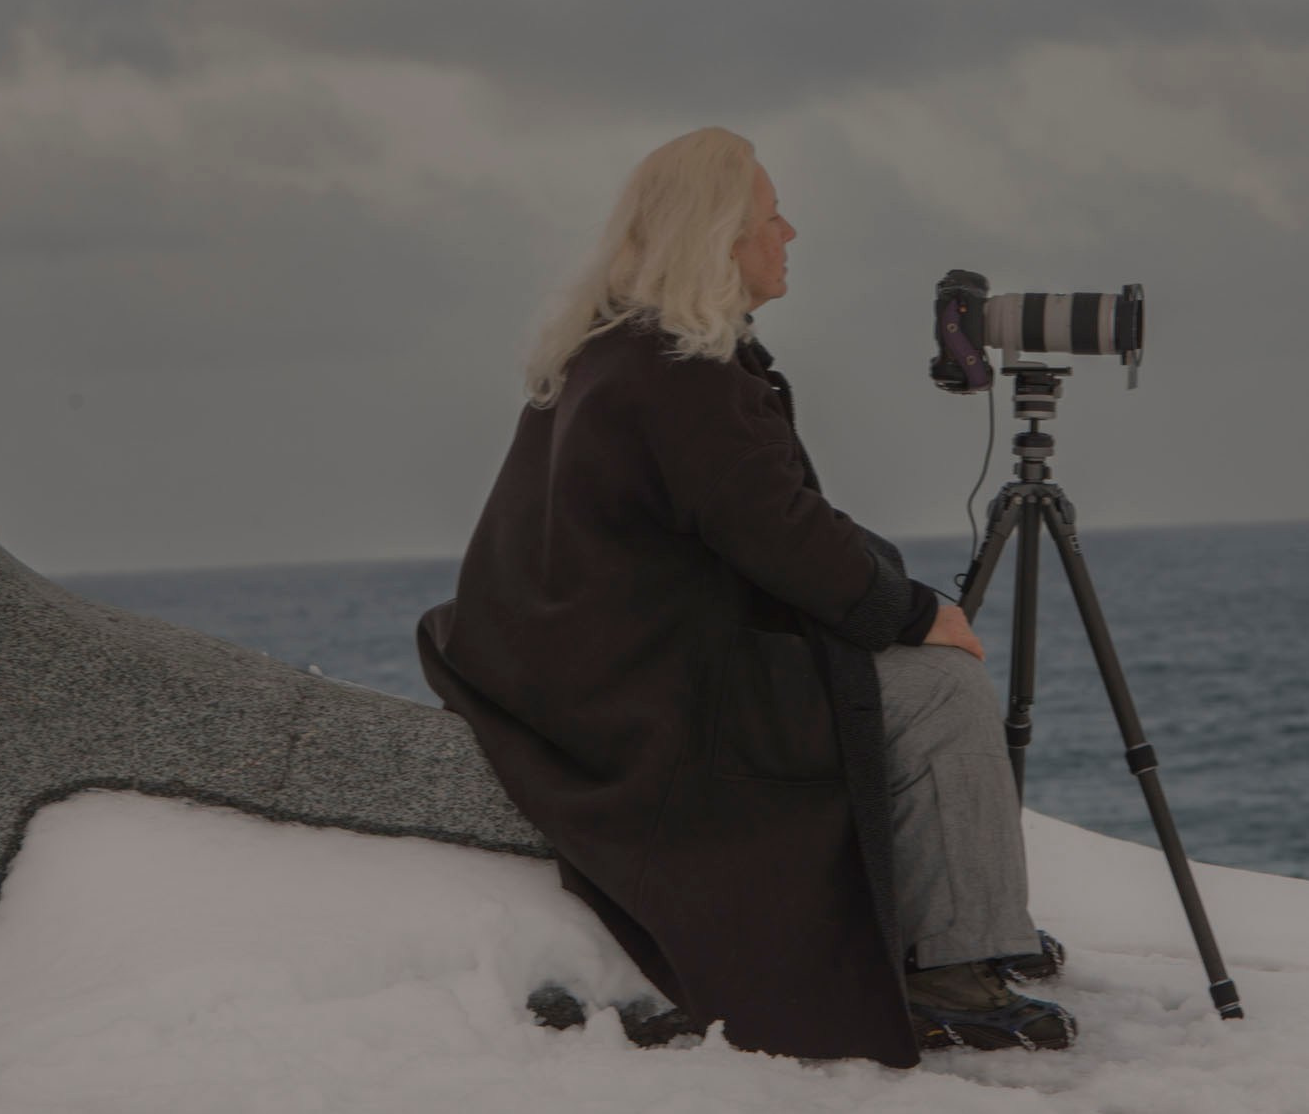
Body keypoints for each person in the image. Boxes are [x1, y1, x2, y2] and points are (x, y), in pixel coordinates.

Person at [418, 127, 1074, 1066]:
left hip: (591, 672)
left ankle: (957, 924)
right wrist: (919, 613)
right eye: (771, 216)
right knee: (940, 684)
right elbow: (783, 535)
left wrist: (892, 590)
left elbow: (778, 518)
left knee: (898, 654)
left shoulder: (622, 348)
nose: (791, 232)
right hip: (650, 700)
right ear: (720, 239)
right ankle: (954, 966)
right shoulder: (682, 372)